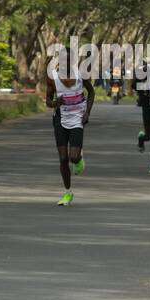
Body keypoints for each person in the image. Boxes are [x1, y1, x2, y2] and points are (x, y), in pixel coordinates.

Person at [45, 49, 94, 206]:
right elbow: (48, 101)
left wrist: (87, 112)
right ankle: (67, 192)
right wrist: (55, 103)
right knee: (63, 159)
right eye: (63, 59)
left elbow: (91, 92)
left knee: (73, 157)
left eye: (69, 59)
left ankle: (79, 159)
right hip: (60, 119)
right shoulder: (52, 78)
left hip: (78, 119)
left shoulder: (81, 75)